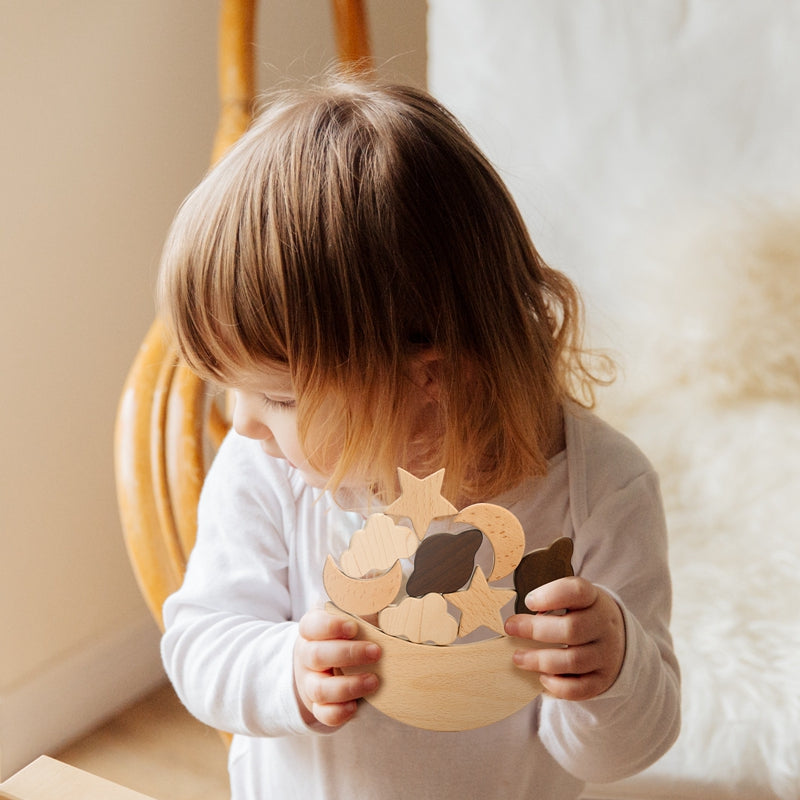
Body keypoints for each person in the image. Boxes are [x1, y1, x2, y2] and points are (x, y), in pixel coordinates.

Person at [158, 78, 680, 799]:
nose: (240, 422)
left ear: (426, 378)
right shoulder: (266, 470)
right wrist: (286, 669)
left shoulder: (600, 492)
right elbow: (199, 644)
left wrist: (610, 669)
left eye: (278, 397)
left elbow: (622, 753)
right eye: (230, 388)